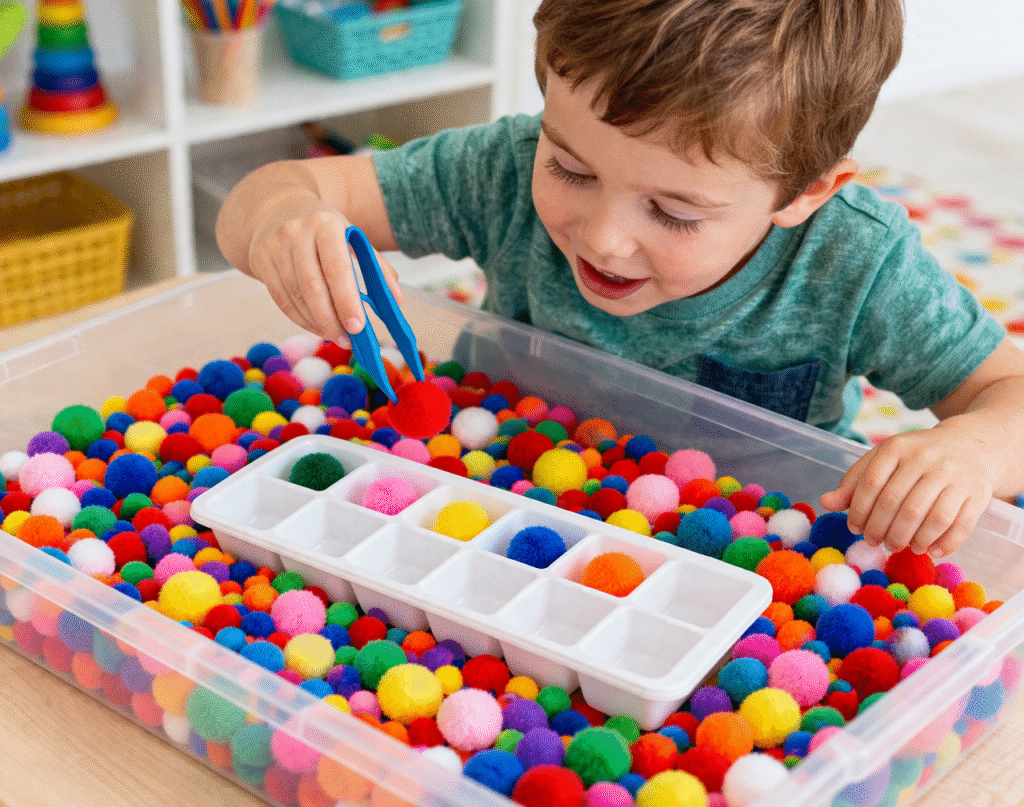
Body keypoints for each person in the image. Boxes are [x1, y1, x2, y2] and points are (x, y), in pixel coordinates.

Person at [216, 0, 1024, 559]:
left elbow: (1010, 390)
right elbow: (277, 194)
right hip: (496, 492)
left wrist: (972, 451)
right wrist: (281, 221)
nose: (603, 236)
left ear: (805, 192)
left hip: (757, 547)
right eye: (569, 165)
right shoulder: (501, 170)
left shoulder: (856, 262)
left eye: (673, 213)